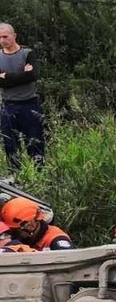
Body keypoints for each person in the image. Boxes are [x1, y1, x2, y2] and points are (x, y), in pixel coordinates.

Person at [0, 23, 44, 169]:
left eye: (5, 36)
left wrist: (6, 76)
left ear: (14, 36)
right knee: (11, 145)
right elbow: (2, 83)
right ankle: (15, 178)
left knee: (35, 143)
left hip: (30, 105)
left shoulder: (27, 54)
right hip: (8, 106)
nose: (2, 40)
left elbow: (32, 76)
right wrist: (21, 75)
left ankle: (39, 175)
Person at [0, 197, 73, 251]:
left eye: (15, 230)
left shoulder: (56, 240)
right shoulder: (22, 238)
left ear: (30, 225)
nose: (12, 234)